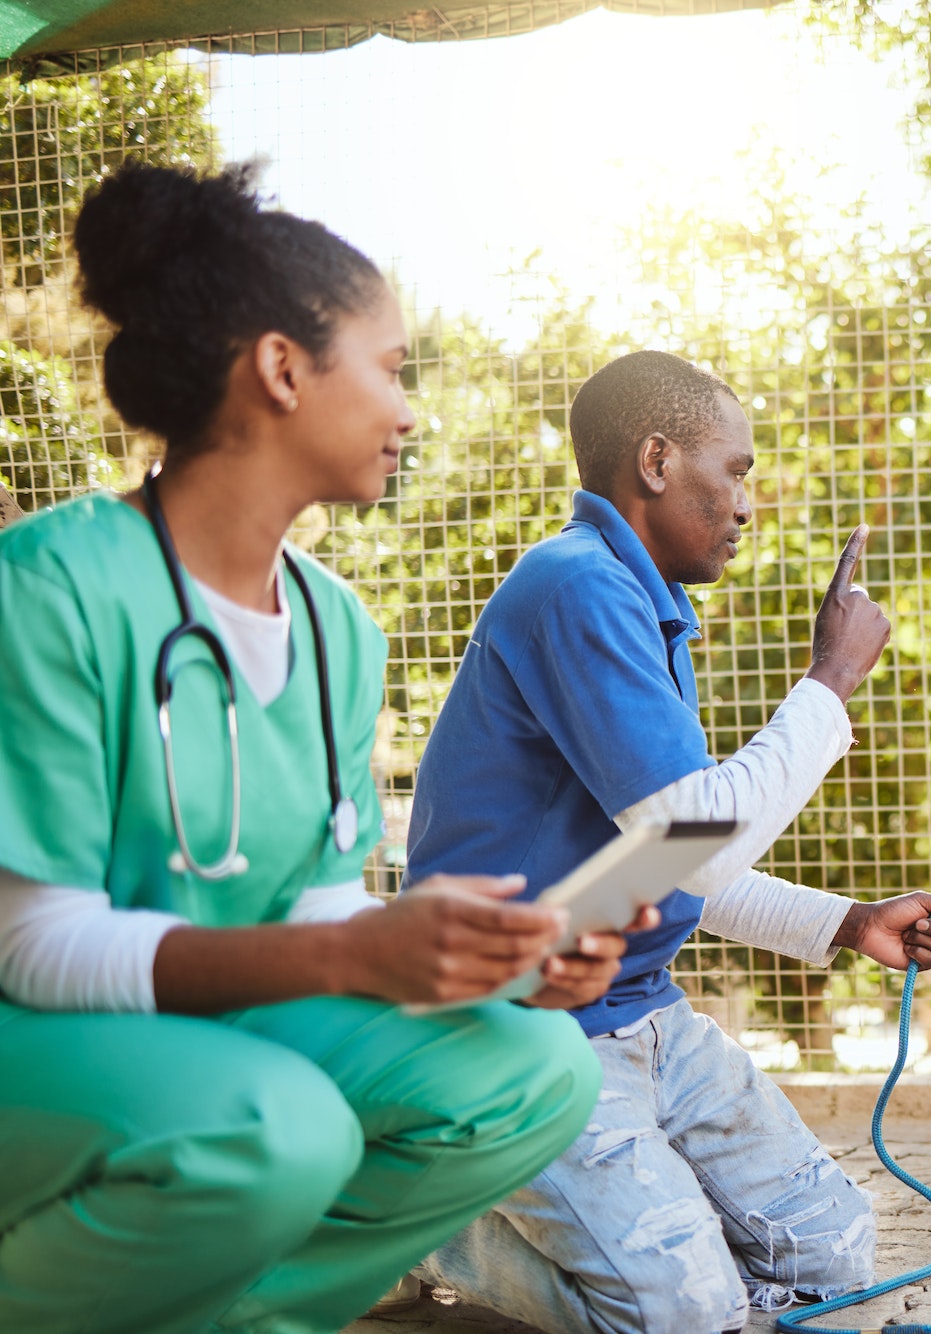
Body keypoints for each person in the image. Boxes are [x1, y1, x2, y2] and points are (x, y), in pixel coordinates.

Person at [0, 164, 644, 1333]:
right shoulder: (46, 586)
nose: (410, 410)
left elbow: (315, 905)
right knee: (275, 1128)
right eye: (391, 368)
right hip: (34, 1033)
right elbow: (34, 945)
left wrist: (491, 957)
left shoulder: (339, 628)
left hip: (221, 1034)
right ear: (281, 368)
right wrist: (355, 961)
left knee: (536, 1067)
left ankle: (226, 1317)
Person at [405, 349, 931, 1334]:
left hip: (641, 1016)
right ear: (658, 458)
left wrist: (844, 922)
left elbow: (663, 861)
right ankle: (422, 1228)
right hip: (520, 1035)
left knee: (829, 1253)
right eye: (737, 469)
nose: (746, 503)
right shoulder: (576, 587)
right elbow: (699, 840)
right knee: (682, 1309)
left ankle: (648, 1256)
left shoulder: (638, 604)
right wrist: (827, 683)